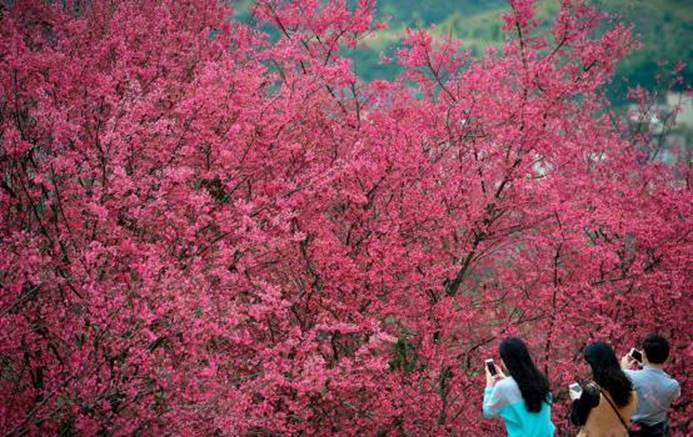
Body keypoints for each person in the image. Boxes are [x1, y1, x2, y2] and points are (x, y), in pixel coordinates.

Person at [482, 337, 555, 437]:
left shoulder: (503, 387)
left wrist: (489, 385)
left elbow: (488, 413)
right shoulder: (540, 379)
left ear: (505, 361)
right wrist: (505, 379)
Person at [570, 341, 638, 437]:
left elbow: (577, 420)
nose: (586, 367)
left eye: (587, 363)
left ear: (594, 365)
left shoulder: (592, 391)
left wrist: (576, 399)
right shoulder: (630, 389)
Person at [621, 335, 681, 436]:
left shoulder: (629, 375)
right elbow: (675, 397)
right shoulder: (673, 385)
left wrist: (623, 369)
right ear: (666, 357)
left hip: (631, 431)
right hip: (656, 431)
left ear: (643, 354)